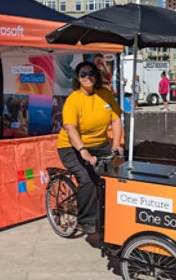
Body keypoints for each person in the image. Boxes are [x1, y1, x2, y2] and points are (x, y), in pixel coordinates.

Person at [56, 61, 123, 234]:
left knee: (115, 174)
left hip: (100, 145)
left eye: (91, 73)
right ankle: (85, 221)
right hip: (72, 147)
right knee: (87, 177)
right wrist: (83, 150)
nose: (87, 77)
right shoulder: (73, 100)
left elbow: (116, 119)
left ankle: (110, 213)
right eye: (83, 74)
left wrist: (116, 145)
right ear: (77, 79)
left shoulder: (104, 95)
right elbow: (70, 128)